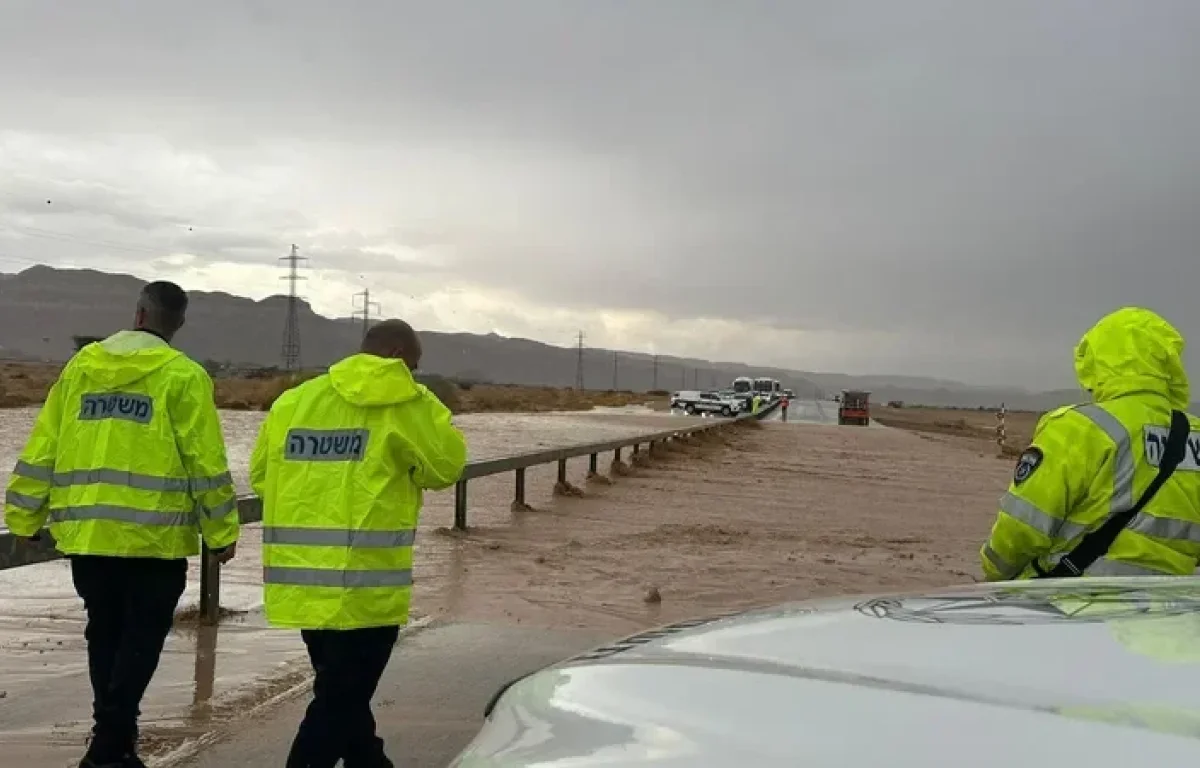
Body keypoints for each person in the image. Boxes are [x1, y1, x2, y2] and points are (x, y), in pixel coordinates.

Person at [3, 281, 240, 768]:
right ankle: (110, 744)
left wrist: (24, 515)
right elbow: (206, 462)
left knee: (105, 631)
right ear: (178, 323)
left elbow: (44, 444)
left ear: (138, 314)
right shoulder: (184, 375)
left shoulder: (81, 368)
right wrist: (221, 532)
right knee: (142, 637)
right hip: (155, 538)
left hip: (90, 535)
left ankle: (113, 738)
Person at [249, 319, 467, 768]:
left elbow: (261, 477)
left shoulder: (295, 401)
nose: (412, 374)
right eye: (413, 365)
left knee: (342, 695)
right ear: (396, 355)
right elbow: (445, 469)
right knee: (338, 703)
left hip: (305, 584)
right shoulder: (409, 403)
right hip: (369, 589)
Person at [980, 306, 1200, 581]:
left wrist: (994, 575)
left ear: (1100, 361)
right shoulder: (1195, 435)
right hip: (1168, 604)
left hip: (1071, 600)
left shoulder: (1079, 427)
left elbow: (1021, 527)